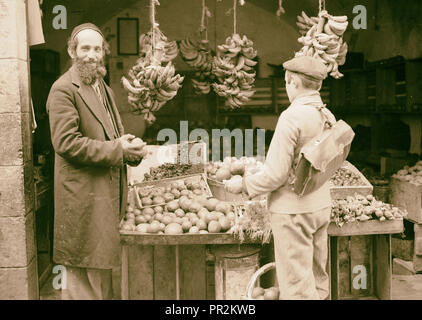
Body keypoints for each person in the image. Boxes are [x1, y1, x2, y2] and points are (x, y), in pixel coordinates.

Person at [46, 23, 146, 300]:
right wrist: (118, 150)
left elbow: (110, 136)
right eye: (85, 48)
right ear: (72, 51)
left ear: (103, 53)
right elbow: (66, 143)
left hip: (102, 196)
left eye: (97, 49)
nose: (92, 55)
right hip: (82, 200)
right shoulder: (63, 89)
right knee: (82, 276)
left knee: (99, 275)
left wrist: (129, 147)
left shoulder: (102, 86)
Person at [243, 55, 336, 300]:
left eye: (287, 82)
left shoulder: (291, 117)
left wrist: (244, 184)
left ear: (292, 81)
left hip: (294, 213)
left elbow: (275, 175)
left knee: (296, 287)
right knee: (317, 282)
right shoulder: (327, 115)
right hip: (320, 207)